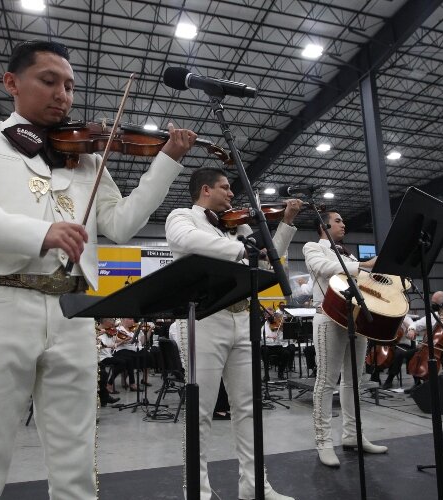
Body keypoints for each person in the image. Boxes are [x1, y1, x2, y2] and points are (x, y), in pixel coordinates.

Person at [0, 39, 197, 499]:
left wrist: (166, 163)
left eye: (69, 86)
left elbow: (120, 224)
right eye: (49, 81)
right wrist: (36, 233)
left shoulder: (87, 156)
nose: (63, 95)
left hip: (72, 312)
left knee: (76, 455)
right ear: (12, 83)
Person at [165, 166, 301, 500]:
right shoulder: (182, 216)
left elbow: (268, 263)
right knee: (201, 413)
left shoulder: (238, 226)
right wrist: (244, 248)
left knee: (248, 409)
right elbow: (186, 241)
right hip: (203, 320)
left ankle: (256, 485)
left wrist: (284, 224)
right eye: (225, 188)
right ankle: (197, 492)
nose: (231, 194)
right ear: (205, 190)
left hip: (242, 320)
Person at [302, 210, 385, 469]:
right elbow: (324, 268)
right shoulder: (313, 247)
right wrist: (363, 266)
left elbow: (364, 281)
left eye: (342, 220)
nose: (343, 224)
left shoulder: (348, 254)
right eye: (337, 220)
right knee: (326, 381)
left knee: (353, 382)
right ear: (323, 225)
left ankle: (353, 435)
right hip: (327, 317)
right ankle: (323, 441)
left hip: (356, 319)